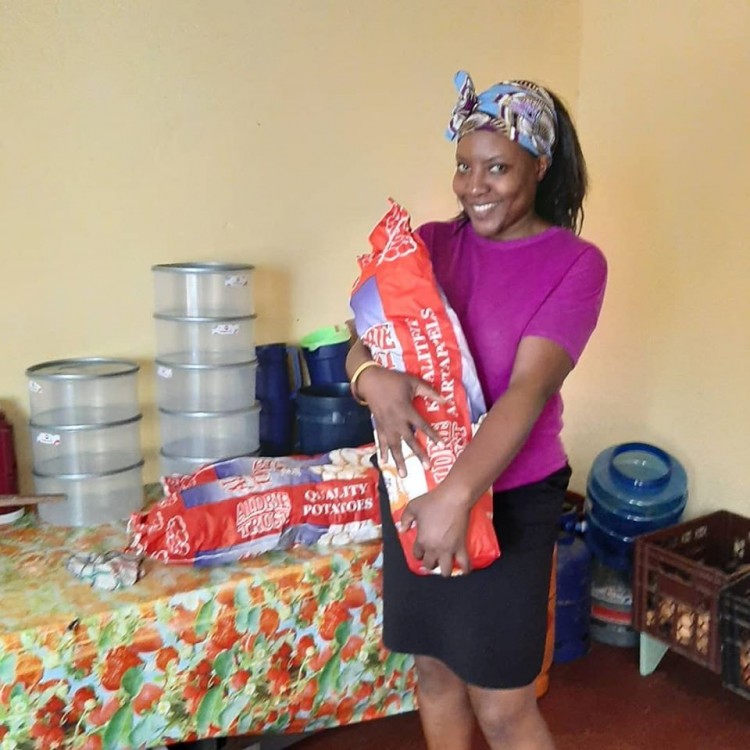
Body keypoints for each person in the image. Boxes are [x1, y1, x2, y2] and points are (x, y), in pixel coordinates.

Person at [346, 71, 607, 750]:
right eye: (464, 166)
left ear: (539, 166)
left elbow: (528, 391)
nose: (473, 186)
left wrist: (456, 496)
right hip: (417, 483)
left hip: (509, 497)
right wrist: (369, 377)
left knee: (502, 705)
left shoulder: (576, 264)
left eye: (497, 167)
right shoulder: (430, 245)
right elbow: (363, 335)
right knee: (434, 673)